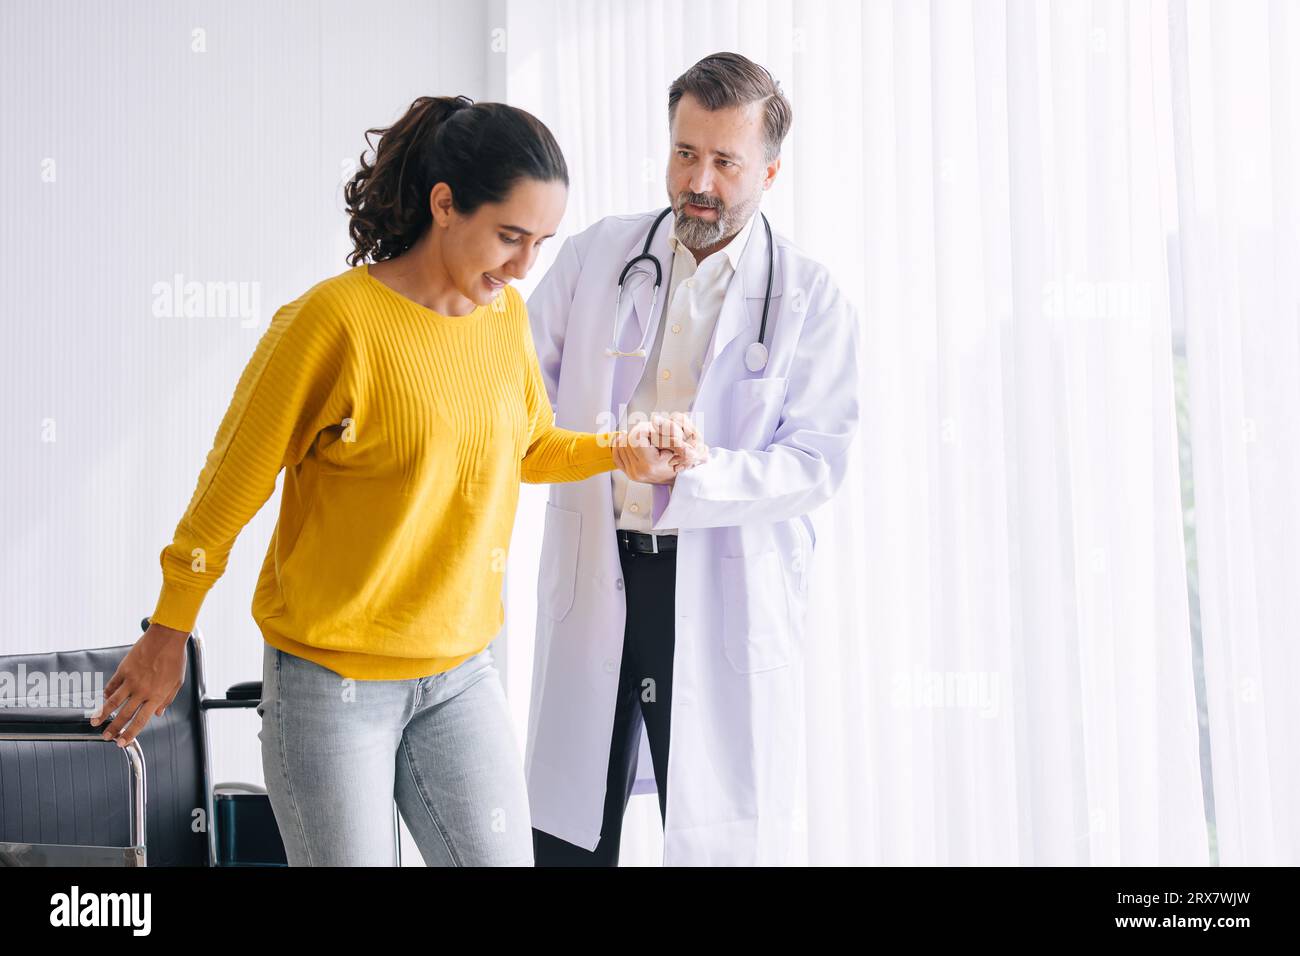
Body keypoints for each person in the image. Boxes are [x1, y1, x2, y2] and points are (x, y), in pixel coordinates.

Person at [88, 95, 704, 866]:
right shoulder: (332, 324)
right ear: (445, 204)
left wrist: (620, 451)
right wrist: (168, 630)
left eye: (540, 243)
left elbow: (525, 446)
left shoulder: (502, 317)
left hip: (457, 676)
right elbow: (230, 487)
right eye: (509, 237)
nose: (522, 267)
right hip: (329, 685)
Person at [525, 53, 861, 865]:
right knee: (566, 834)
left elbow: (818, 460)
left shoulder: (809, 298)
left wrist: (703, 471)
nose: (698, 181)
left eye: (724, 161)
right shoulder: (597, 257)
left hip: (719, 586)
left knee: (713, 836)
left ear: (770, 171)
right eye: (685, 153)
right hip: (603, 572)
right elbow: (515, 391)